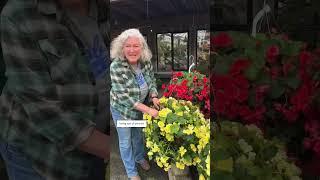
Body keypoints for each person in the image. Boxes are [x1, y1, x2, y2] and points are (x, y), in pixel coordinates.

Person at [0, 0, 110, 180]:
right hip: (42, 154)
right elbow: (44, 110)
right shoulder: (19, 14)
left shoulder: (103, 8)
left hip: (96, 145)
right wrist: (114, 148)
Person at [110, 28, 160, 180]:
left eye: (136, 45)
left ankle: (139, 158)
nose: (132, 50)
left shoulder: (145, 62)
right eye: (128, 46)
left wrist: (154, 96)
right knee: (125, 141)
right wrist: (149, 110)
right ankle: (132, 172)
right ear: (121, 48)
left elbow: (151, 80)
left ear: (142, 47)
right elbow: (126, 98)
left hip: (139, 109)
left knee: (138, 135)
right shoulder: (116, 67)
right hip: (122, 111)